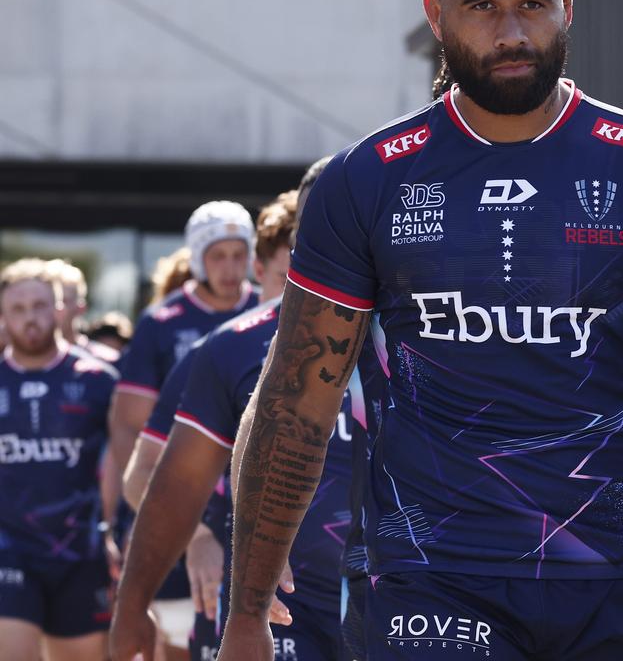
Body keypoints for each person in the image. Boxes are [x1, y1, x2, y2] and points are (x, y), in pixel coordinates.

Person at [221, 0, 623, 661]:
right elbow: (296, 398)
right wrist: (247, 609)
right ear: (438, 13)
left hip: (608, 584)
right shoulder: (369, 181)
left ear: (567, 6)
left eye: (532, 3)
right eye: (483, 5)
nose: (512, 31)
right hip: (431, 584)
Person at [111, 170, 363, 661]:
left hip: (402, 594)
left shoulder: (421, 333)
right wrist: (189, 549)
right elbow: (158, 474)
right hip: (278, 605)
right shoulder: (229, 346)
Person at [108, 200, 260, 658]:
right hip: (184, 498)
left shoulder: (272, 312)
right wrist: (134, 512)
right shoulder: (162, 323)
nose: (231, 268)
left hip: (248, 498)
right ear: (197, 258)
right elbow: (132, 429)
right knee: (179, 634)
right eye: (218, 256)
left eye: (239, 254)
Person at [0, 258, 119, 660]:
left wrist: (115, 533)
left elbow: (122, 463)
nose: (29, 318)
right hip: (8, 550)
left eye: (39, 305)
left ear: (59, 308)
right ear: (3, 315)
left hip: (80, 552)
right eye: (17, 309)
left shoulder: (99, 380)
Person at [46, 260, 121, 364]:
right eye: (44, 303)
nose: (56, 308)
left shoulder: (107, 361)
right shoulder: (20, 364)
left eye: (63, 301)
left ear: (81, 308)